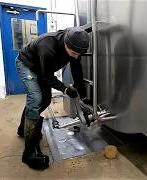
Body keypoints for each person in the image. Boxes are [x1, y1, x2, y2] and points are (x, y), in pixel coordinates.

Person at [15, 27, 92, 170]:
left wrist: (84, 95)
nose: (76, 56)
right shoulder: (47, 47)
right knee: (36, 99)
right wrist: (65, 89)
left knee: (45, 100)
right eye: (74, 53)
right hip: (27, 64)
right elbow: (47, 76)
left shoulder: (74, 46)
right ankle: (29, 152)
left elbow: (77, 70)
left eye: (79, 54)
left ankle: (23, 129)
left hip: (43, 67)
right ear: (65, 44)